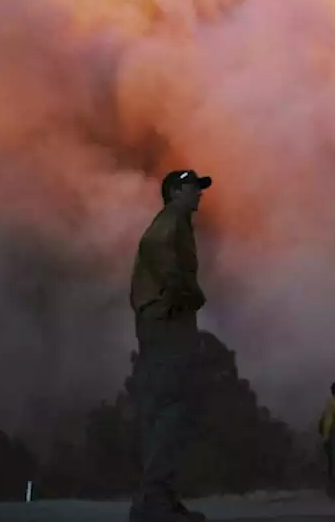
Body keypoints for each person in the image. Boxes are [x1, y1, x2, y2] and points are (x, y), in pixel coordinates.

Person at [129, 169, 213, 522]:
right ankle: (155, 502)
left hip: (166, 320)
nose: (199, 194)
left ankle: (159, 497)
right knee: (171, 407)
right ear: (176, 190)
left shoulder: (176, 220)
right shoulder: (172, 218)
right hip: (166, 321)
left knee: (171, 408)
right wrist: (186, 292)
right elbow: (153, 247)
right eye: (194, 187)